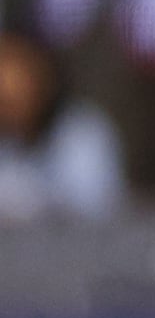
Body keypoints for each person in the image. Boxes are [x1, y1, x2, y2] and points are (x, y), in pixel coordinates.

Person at [0, 28, 126, 223]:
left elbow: (92, 207)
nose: (8, 90)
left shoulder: (83, 131)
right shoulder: (7, 140)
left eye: (18, 79)